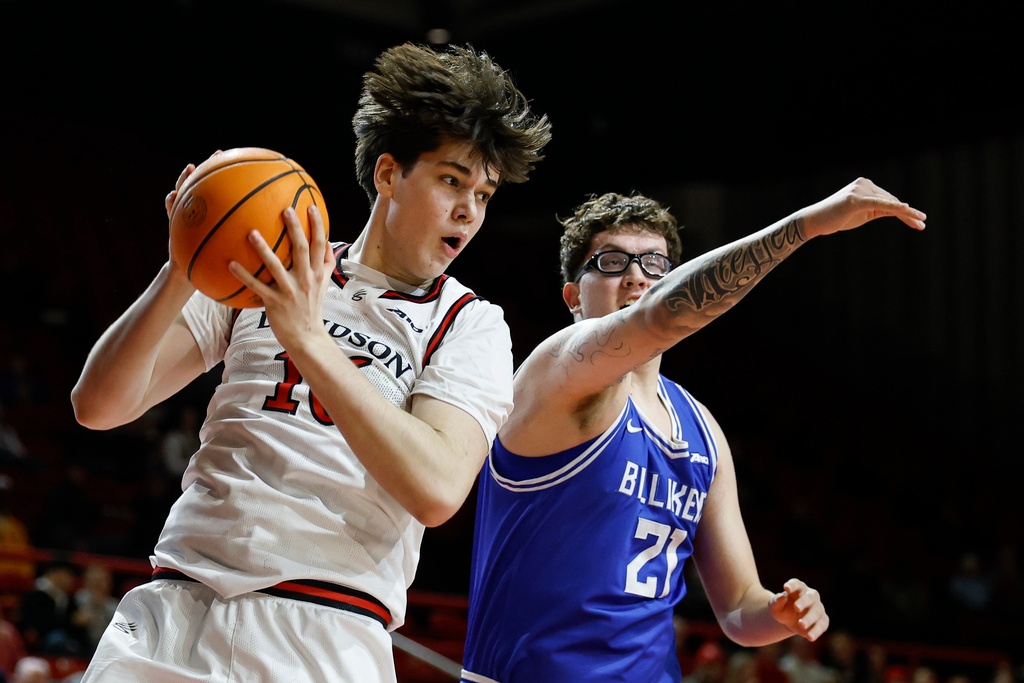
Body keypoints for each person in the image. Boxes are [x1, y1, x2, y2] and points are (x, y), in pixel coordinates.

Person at [70, 41, 551, 683]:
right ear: (388, 174)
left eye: (485, 195)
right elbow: (99, 406)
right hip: (177, 606)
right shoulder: (273, 268)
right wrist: (183, 266)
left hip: (321, 626)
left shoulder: (468, 323)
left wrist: (310, 342)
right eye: (451, 180)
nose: (469, 209)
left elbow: (437, 488)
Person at [460, 180, 926, 682]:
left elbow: (739, 609)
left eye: (655, 264)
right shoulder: (555, 372)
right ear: (573, 295)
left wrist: (778, 614)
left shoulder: (702, 430)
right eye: (613, 262)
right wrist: (809, 224)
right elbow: (659, 314)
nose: (638, 277)